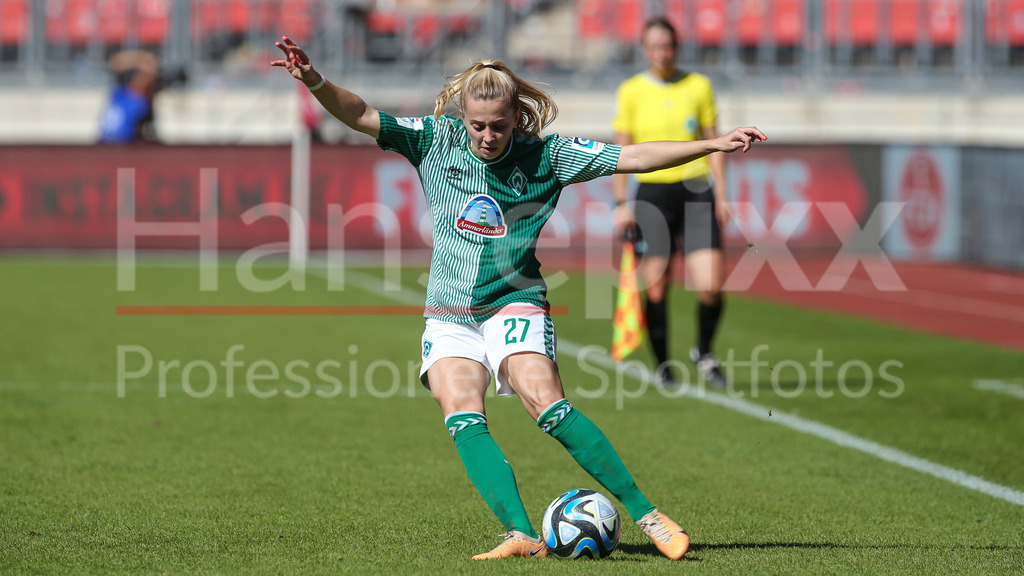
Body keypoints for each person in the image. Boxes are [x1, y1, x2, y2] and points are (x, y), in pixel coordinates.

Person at [271, 35, 764, 560]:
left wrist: (712, 146)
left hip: (515, 301)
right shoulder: (433, 140)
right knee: (461, 411)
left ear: (518, 117)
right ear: (462, 117)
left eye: (498, 126)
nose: (486, 136)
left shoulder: (550, 155)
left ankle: (648, 515)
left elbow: (635, 155)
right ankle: (521, 534)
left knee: (544, 404)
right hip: (449, 311)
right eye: (476, 125)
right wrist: (315, 81)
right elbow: (362, 114)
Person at [612, 17, 743, 388]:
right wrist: (621, 202)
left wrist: (722, 193)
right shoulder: (632, 90)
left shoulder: (699, 86)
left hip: (697, 190)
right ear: (644, 49)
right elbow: (622, 150)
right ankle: (663, 364)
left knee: (711, 284)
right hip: (652, 193)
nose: (662, 53)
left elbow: (714, 141)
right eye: (654, 47)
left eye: (667, 46)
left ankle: (703, 351)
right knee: (656, 286)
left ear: (676, 47)